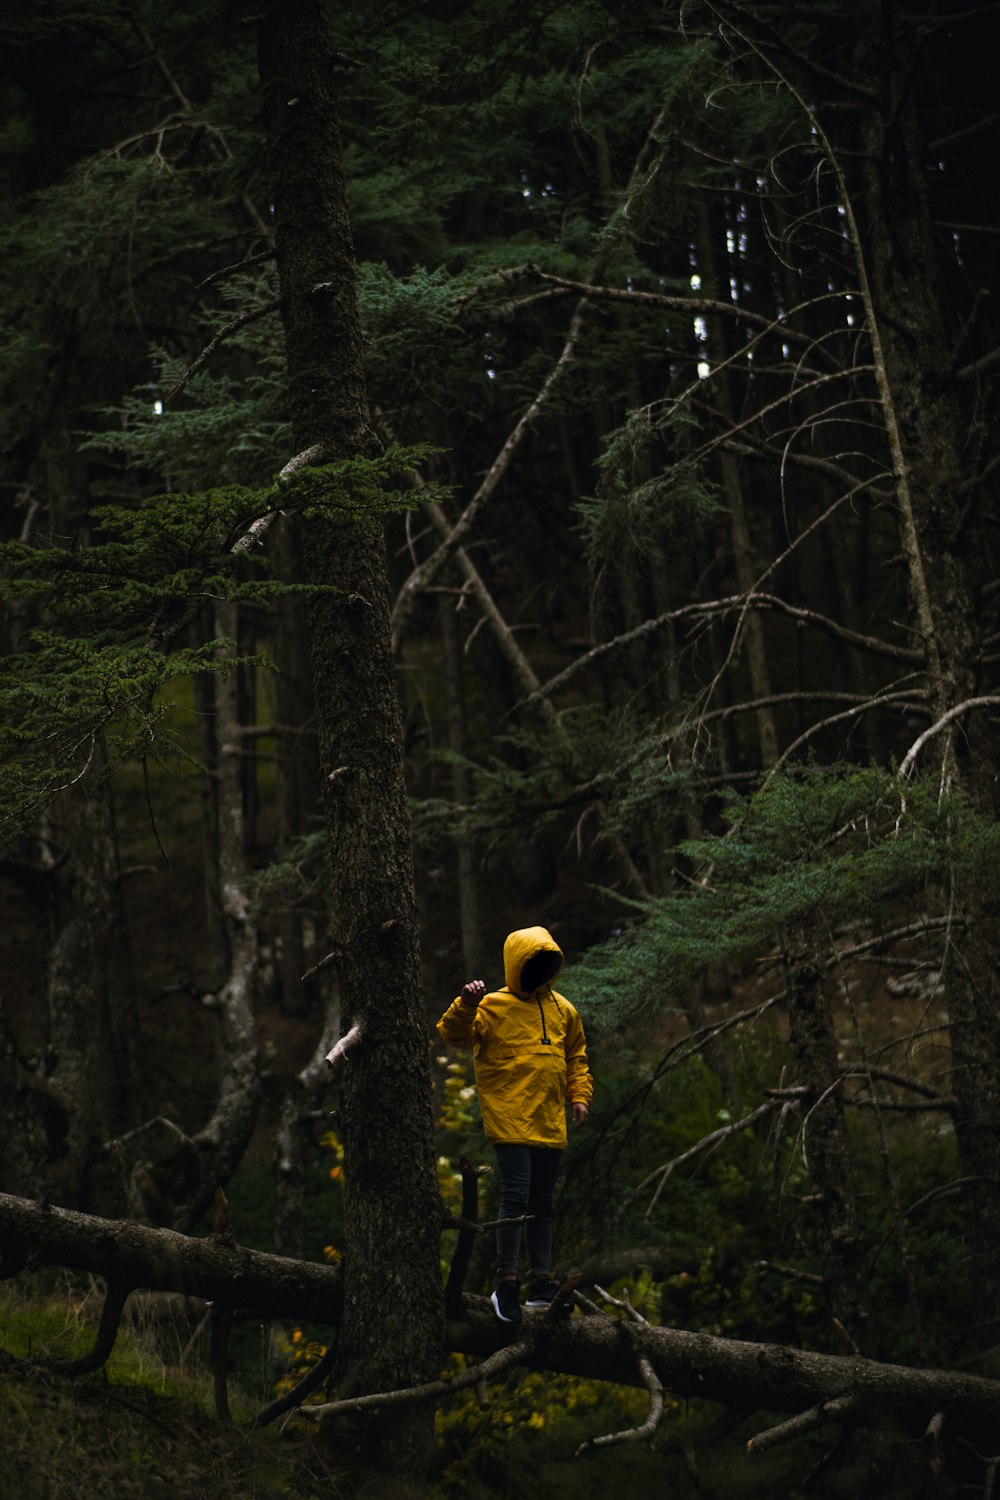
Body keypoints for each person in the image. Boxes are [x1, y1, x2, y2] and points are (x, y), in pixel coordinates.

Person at [437, 925, 593, 1325]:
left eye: (545, 963)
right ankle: (506, 1284)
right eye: (531, 963)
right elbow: (453, 1035)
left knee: (542, 1206)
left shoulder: (564, 1010)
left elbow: (576, 1057)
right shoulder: (492, 1006)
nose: (538, 971)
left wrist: (579, 1097)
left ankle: (540, 1283)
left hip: (549, 1123)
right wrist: (466, 1003)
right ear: (515, 965)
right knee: (517, 1200)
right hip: (509, 1120)